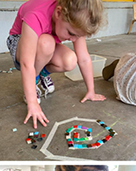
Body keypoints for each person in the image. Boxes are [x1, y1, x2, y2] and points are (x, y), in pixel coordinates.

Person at [6, 0, 106, 129]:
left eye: (78, 36)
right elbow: (26, 63)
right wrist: (32, 103)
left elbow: (84, 59)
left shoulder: (75, 18)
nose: (74, 40)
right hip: (19, 42)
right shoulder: (36, 14)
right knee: (46, 43)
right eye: (71, 34)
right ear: (58, 13)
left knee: (70, 60)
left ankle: (41, 73)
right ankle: (34, 81)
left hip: (45, 42)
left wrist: (91, 91)